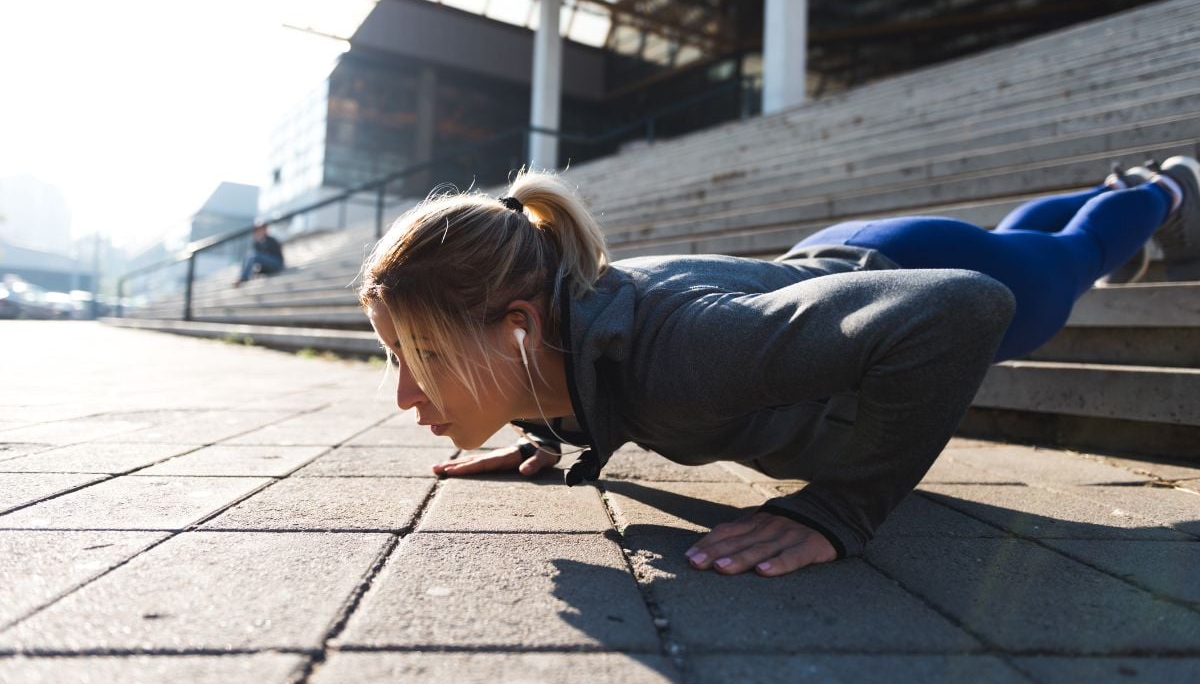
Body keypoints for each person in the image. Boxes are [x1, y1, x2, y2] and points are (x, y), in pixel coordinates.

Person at [357, 155, 1200, 577]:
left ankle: (1163, 190)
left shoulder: (691, 353)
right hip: (832, 268)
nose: (405, 394)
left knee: (1060, 265)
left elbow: (964, 307)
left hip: (895, 275)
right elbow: (583, 350)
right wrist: (547, 426)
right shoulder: (549, 328)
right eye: (398, 356)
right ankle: (1112, 183)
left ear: (516, 327)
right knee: (1029, 247)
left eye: (425, 356)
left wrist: (840, 509)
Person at [234, 223, 285, 288]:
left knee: (254, 255)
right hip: (268, 266)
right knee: (248, 255)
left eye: (261, 229)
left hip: (277, 264)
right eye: (258, 230)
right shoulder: (258, 242)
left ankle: (244, 278)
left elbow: (264, 256)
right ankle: (242, 276)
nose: (259, 231)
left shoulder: (271, 240)